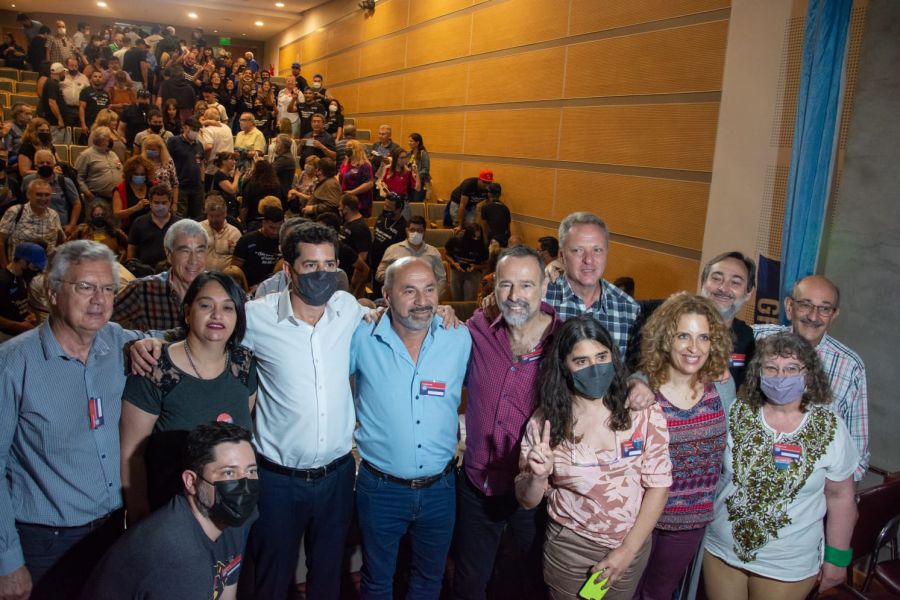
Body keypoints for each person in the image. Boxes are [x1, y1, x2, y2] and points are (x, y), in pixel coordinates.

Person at [0, 241, 149, 600]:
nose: (99, 299)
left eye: (108, 288)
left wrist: (156, 346)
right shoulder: (12, 364)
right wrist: (7, 561)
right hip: (44, 543)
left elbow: (179, 343)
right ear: (52, 293)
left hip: (111, 532)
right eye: (85, 287)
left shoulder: (120, 343)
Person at [516, 316, 671, 600]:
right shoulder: (545, 424)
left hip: (630, 547)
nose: (595, 368)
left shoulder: (642, 411)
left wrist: (626, 551)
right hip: (570, 550)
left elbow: (659, 486)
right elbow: (527, 500)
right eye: (581, 361)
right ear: (564, 365)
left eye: (601, 356)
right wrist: (536, 476)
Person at [703, 332, 858, 600]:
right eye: (771, 368)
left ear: (808, 374)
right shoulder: (738, 412)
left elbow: (841, 497)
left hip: (787, 564)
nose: (780, 377)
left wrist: (837, 559)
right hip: (721, 550)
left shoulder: (830, 427)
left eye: (791, 369)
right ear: (758, 373)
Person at [351, 257, 471, 598]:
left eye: (429, 289)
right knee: (377, 579)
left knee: (429, 580)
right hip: (380, 489)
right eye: (410, 290)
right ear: (386, 295)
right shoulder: (361, 336)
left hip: (440, 490)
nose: (422, 300)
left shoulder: (458, 337)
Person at [454, 245, 560, 600]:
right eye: (505, 285)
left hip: (534, 492)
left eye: (527, 285)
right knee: (469, 582)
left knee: (529, 582)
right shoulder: (477, 329)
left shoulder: (565, 343)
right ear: (492, 287)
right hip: (477, 483)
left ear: (545, 287)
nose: (515, 296)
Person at [119, 272, 257, 520]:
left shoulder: (244, 364)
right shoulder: (154, 367)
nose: (217, 315)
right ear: (187, 312)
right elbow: (132, 454)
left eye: (228, 307)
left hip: (234, 510)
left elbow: (242, 430)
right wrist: (140, 516)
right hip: (173, 513)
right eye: (206, 305)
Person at [82, 422, 259, 600]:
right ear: (191, 481)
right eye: (229, 473)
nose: (245, 486)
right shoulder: (180, 560)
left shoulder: (229, 521)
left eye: (251, 471)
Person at [632, 293, 732, 600]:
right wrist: (634, 381)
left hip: (689, 524)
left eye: (703, 337)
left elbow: (730, 455)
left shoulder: (722, 387)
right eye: (683, 336)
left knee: (659, 594)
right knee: (624, 591)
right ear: (665, 338)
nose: (694, 348)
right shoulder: (642, 391)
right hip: (637, 519)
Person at [753, 275, 868, 481]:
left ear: (833, 315)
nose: (814, 316)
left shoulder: (850, 367)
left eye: (825, 308)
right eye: (806, 305)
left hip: (812, 494)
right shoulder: (756, 340)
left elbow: (857, 455)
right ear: (789, 307)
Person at [544, 212, 640, 358]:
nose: (589, 260)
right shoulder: (541, 299)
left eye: (597, 250)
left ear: (606, 253)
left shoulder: (628, 309)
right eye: (578, 250)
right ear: (562, 255)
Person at [116, 218, 207, 330]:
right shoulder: (143, 289)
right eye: (185, 251)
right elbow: (97, 321)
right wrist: (131, 342)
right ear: (169, 255)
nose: (193, 260)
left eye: (200, 251)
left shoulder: (220, 290)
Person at [0, 178, 64, 269]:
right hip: (19, 272)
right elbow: (0, 242)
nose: (43, 198)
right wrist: (5, 269)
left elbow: (59, 242)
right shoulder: (15, 211)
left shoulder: (54, 215)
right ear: (28, 195)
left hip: (45, 271)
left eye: (47, 195)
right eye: (39, 194)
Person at [376, 216, 447, 297]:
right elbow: (379, 274)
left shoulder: (433, 252)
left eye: (419, 230)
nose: (416, 233)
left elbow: (441, 279)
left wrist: (433, 297)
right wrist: (396, 278)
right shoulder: (392, 250)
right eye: (412, 230)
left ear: (424, 232)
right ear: (407, 231)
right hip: (399, 298)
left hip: (426, 300)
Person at [21, 149, 81, 235]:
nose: (45, 165)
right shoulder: (27, 181)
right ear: (35, 166)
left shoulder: (65, 182)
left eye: (48, 163)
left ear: (54, 165)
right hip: (33, 228)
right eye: (41, 163)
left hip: (60, 229)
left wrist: (71, 225)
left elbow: (77, 204)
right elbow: (23, 201)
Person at [125, 184, 181, 271]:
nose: (160, 206)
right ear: (150, 202)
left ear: (170, 202)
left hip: (173, 272)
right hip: (145, 274)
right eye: (156, 203)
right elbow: (132, 249)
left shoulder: (179, 224)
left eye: (164, 203)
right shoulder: (139, 223)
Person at [0, 241, 45, 341]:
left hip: (19, 336)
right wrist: (17, 326)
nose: (36, 271)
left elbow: (16, 305)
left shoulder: (22, 277)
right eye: (35, 266)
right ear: (23, 261)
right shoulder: (2, 281)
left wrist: (28, 314)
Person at [232, 205, 284, 290]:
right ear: (264, 223)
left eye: (279, 228)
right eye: (272, 227)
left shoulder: (284, 241)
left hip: (274, 288)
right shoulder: (247, 240)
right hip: (248, 288)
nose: (275, 232)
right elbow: (235, 270)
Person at [369, 192, 407, 297]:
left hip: (389, 268)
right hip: (375, 264)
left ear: (398, 209)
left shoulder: (403, 227)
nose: (385, 209)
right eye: (385, 205)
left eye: (389, 207)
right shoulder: (382, 217)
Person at [167, 117, 205, 219]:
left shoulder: (199, 145)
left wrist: (202, 181)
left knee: (198, 218)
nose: (195, 132)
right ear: (185, 127)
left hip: (196, 187)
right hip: (180, 186)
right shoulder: (173, 141)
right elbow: (167, 162)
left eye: (197, 130)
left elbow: (201, 163)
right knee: (180, 217)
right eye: (193, 129)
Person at [75, 126, 124, 202]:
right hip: (96, 198)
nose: (112, 140)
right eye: (109, 138)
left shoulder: (113, 154)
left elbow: (121, 170)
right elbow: (78, 177)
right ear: (101, 140)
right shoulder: (86, 155)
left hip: (116, 198)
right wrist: (87, 193)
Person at [338, 193, 371, 297]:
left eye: (340, 206)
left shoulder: (359, 227)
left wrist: (354, 281)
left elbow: (363, 255)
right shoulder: (348, 222)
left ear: (346, 208)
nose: (339, 209)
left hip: (352, 278)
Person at [446, 223, 488, 301]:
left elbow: (486, 265)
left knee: (469, 300)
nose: (476, 239)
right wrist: (453, 263)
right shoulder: (456, 240)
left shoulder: (482, 245)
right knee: (456, 298)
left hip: (473, 273)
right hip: (456, 271)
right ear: (468, 235)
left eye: (478, 237)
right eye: (473, 236)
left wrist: (476, 267)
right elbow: (447, 255)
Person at [112, 155, 155, 231]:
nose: (139, 176)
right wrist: (135, 208)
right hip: (130, 229)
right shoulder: (120, 189)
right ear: (130, 173)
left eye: (142, 174)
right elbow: (117, 214)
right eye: (136, 174)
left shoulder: (153, 186)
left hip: (151, 227)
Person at [201, 194, 242, 272]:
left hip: (225, 279)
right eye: (211, 216)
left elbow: (239, 261)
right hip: (201, 278)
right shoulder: (199, 229)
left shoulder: (235, 233)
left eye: (217, 216)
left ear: (225, 213)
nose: (213, 220)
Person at [240, 160, 283, 230]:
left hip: (254, 221)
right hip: (273, 222)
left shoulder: (251, 184)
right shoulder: (277, 185)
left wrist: (242, 222)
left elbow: (245, 207)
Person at [339, 139, 375, 217]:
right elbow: (340, 175)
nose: (346, 149)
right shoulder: (345, 163)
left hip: (360, 201)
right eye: (346, 147)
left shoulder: (364, 165)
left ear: (357, 149)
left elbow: (369, 183)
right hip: (346, 199)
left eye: (349, 147)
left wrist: (352, 192)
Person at [37, 62, 67, 141]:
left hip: (53, 121)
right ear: (61, 72)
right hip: (53, 122)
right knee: (54, 143)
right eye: (63, 72)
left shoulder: (51, 83)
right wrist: (59, 119)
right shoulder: (52, 84)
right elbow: (52, 103)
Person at [59, 56, 89, 127]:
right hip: (65, 108)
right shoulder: (62, 76)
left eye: (76, 65)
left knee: (78, 131)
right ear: (66, 65)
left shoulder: (84, 77)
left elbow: (88, 92)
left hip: (79, 109)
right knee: (67, 131)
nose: (74, 67)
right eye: (71, 65)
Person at [78, 69, 111, 134]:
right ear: (91, 79)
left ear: (102, 79)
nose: (97, 78)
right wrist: (83, 124)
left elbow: (108, 110)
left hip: (102, 125)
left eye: (100, 77)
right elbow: (81, 108)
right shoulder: (85, 91)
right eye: (95, 76)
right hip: (89, 123)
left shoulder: (106, 93)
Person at [480, 182, 511, 248]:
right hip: (503, 240)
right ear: (499, 194)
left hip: (492, 240)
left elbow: (484, 227)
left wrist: (485, 239)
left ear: (489, 194)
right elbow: (508, 228)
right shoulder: (505, 208)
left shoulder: (485, 207)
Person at [272, 134, 298, 198]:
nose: (275, 145)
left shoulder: (285, 159)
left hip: (281, 193)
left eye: (277, 142)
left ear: (282, 146)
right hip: (278, 190)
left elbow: (268, 170)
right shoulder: (284, 157)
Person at [408, 132, 430, 203]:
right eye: (409, 141)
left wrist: (416, 175)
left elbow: (426, 169)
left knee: (416, 202)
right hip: (409, 182)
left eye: (411, 141)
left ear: (417, 143)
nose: (409, 143)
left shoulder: (423, 154)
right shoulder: (409, 154)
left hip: (420, 182)